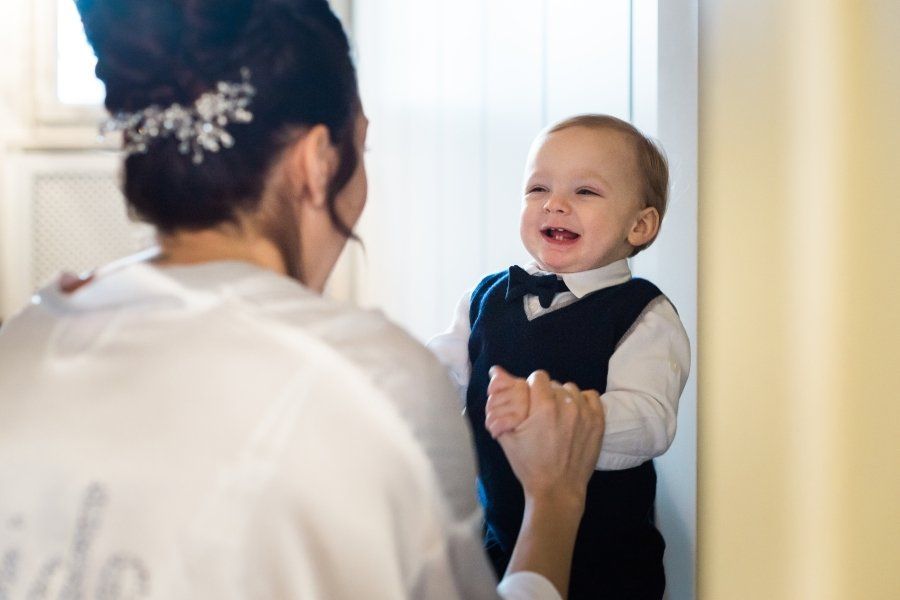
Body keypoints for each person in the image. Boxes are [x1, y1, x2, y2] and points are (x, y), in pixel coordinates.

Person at [0, 2, 605, 599]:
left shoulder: (23, 336)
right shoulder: (370, 380)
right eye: (361, 147)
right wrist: (554, 499)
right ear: (317, 160)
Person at [428, 115, 691, 599]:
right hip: (498, 548)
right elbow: (437, 378)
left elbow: (650, 421)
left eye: (585, 191)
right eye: (538, 188)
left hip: (607, 568)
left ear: (639, 225)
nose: (554, 203)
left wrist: (553, 412)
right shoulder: (484, 299)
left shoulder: (643, 315)